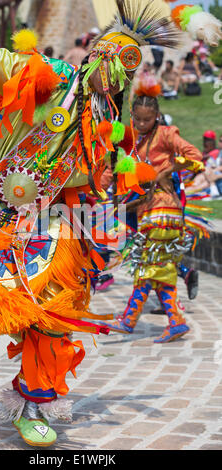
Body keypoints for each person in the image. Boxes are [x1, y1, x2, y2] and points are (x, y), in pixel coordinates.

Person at [0, 0, 184, 447]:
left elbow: (96, 180)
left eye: (124, 65)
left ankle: (35, 400)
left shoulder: (105, 120)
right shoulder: (55, 79)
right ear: (94, 53)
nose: (110, 71)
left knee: (55, 310)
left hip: (52, 221)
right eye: (106, 56)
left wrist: (120, 206)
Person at [101, 86, 203, 343]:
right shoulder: (131, 139)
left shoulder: (167, 135)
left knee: (147, 268)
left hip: (163, 211)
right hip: (150, 213)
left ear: (157, 116)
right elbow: (111, 170)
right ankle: (176, 322)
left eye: (147, 119)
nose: (141, 123)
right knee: (160, 270)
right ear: (132, 115)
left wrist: (165, 173)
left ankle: (129, 320)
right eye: (137, 118)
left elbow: (194, 155)